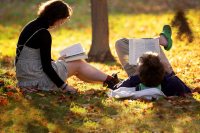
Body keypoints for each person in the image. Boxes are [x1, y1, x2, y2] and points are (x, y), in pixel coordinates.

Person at [15, 0, 118, 94]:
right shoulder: (43, 33)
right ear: (56, 17)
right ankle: (111, 81)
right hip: (36, 79)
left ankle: (109, 80)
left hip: (26, 77)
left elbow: (36, 58)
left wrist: (56, 61)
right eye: (61, 21)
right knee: (78, 63)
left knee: (74, 63)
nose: (60, 24)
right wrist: (64, 87)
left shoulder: (31, 25)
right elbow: (46, 67)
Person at [114, 25, 191, 96]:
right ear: (162, 69)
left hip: (146, 74)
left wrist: (134, 76)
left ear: (138, 72)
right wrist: (170, 72)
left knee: (120, 43)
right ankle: (159, 40)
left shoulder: (135, 79)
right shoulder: (170, 81)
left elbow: (116, 89)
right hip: (153, 74)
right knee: (151, 46)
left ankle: (159, 40)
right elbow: (186, 90)